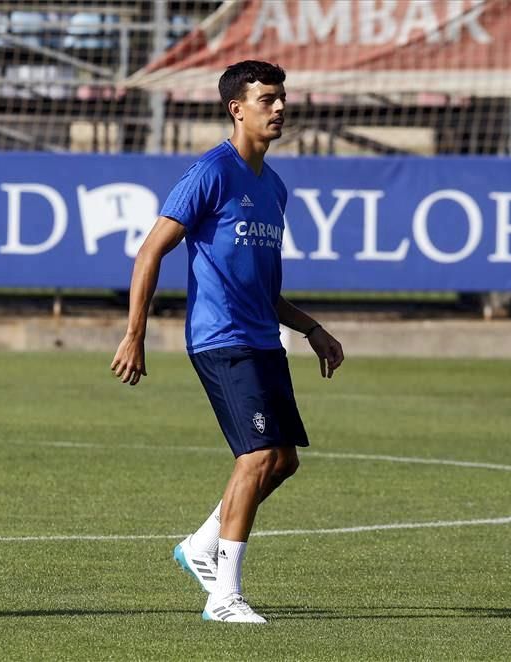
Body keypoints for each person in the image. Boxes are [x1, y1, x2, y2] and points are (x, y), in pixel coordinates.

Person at [110, 60, 343, 624]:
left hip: (263, 338)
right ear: (237, 109)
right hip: (221, 338)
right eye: (267, 100)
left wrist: (310, 327)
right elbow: (149, 252)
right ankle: (224, 597)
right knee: (257, 455)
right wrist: (135, 333)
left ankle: (199, 546)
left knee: (283, 461)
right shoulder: (211, 172)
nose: (280, 108)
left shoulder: (275, 188)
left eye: (282, 98)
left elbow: (265, 288)